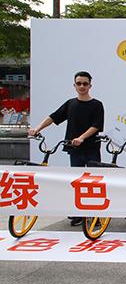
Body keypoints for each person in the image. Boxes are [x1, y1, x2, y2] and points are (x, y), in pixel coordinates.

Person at [28, 71, 105, 227]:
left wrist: (82, 138)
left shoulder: (97, 105)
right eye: (79, 83)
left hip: (91, 148)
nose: (82, 86)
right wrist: (37, 128)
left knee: (93, 182)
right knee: (76, 181)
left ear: (90, 85)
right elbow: (53, 117)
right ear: (74, 85)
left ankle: (95, 215)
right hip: (74, 149)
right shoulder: (71, 104)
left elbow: (96, 126)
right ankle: (78, 213)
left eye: (85, 83)